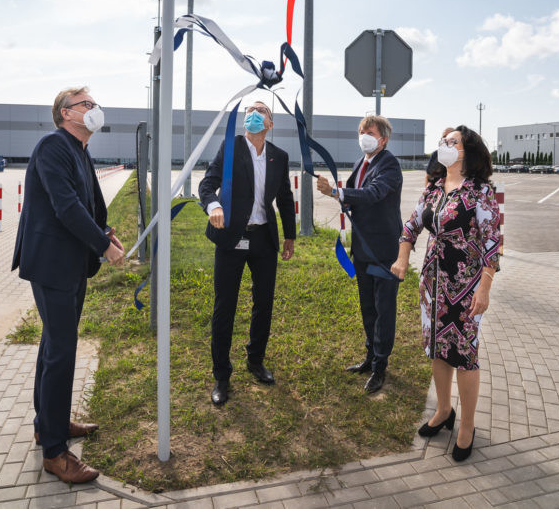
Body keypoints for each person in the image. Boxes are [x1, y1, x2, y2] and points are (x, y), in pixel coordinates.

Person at [11, 87, 125, 483]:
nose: (94, 109)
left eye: (94, 103)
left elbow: (89, 204)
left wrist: (106, 233)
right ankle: (56, 454)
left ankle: (49, 424)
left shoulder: (78, 149)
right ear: (66, 113)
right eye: (86, 104)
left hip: (70, 264)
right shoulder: (53, 146)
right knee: (61, 352)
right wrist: (102, 246)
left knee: (53, 347)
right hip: (51, 264)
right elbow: (66, 206)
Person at [391, 125, 500, 463]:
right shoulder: (435, 188)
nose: (445, 146)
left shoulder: (480, 192)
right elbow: (411, 225)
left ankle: (466, 426)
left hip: (465, 289)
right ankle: (443, 411)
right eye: (443, 142)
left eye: (452, 142)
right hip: (433, 287)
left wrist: (484, 289)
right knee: (439, 350)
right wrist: (402, 256)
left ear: (468, 151)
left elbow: (492, 243)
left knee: (465, 356)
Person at [198, 101, 296, 406]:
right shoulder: (231, 147)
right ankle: (221, 376)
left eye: (261, 110)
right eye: (249, 110)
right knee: (224, 305)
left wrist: (290, 236)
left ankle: (255, 361)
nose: (253, 113)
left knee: (263, 302)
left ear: (270, 123)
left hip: (263, 239)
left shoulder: (279, 156)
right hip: (231, 238)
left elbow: (284, 196)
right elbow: (207, 185)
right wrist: (213, 206)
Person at [316, 115, 402, 394]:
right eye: (361, 130)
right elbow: (351, 197)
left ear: (383, 139)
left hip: (383, 252)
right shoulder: (361, 162)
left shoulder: (388, 164)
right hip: (363, 250)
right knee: (367, 306)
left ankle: (380, 366)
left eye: (369, 131)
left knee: (383, 309)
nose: (363, 134)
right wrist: (333, 193)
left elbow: (372, 193)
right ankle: (369, 356)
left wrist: (337, 190)